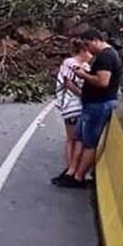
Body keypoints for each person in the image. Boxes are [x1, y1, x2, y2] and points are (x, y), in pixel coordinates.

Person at [54, 28, 122, 188]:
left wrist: (83, 75)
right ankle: (71, 173)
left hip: (99, 104)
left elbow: (103, 82)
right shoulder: (102, 56)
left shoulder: (106, 56)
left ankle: (78, 177)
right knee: (80, 138)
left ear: (95, 40)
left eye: (88, 44)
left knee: (89, 142)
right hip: (91, 104)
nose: (88, 49)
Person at [51, 39, 92, 184]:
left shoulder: (86, 66)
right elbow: (69, 84)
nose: (91, 55)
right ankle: (69, 170)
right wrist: (84, 96)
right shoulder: (70, 63)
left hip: (80, 106)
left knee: (76, 139)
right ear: (82, 51)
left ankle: (71, 170)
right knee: (72, 139)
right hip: (71, 105)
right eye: (88, 52)